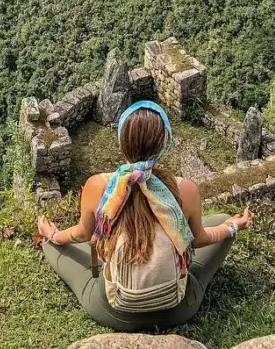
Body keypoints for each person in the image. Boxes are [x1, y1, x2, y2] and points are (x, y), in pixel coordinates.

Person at [37, 100, 253, 332]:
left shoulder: (98, 186)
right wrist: (231, 227)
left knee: (51, 245)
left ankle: (66, 250)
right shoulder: (185, 189)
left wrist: (55, 235)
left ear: (122, 143)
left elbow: (82, 234)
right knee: (222, 220)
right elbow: (199, 240)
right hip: (178, 308)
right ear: (164, 143)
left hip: (115, 311)